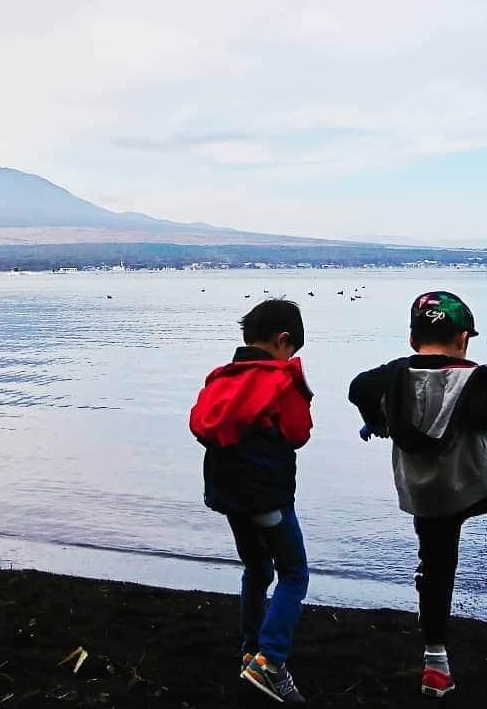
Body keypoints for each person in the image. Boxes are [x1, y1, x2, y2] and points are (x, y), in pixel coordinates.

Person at [348, 290, 487, 699]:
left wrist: (378, 421)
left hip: (425, 496)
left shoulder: (393, 373)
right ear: (463, 339)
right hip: (472, 488)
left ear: (412, 340)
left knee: (437, 569)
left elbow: (357, 389)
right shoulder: (474, 376)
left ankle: (436, 664)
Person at [189, 299, 313, 704]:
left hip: (228, 497)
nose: (291, 356)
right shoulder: (279, 380)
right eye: (292, 349)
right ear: (282, 340)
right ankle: (270, 660)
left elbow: (202, 425)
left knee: (256, 569)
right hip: (268, 497)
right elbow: (299, 433)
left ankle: (249, 651)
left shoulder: (220, 378)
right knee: (293, 574)